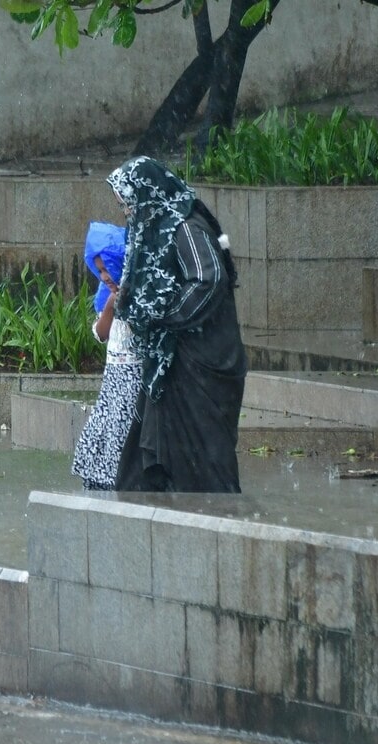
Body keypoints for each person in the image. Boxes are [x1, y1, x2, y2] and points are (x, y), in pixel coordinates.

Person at [106, 156, 247, 493]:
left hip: (201, 363)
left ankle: (213, 521)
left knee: (204, 460)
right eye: (124, 206)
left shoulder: (185, 226)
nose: (127, 212)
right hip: (170, 363)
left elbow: (209, 280)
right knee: (144, 462)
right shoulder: (157, 230)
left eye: (129, 203)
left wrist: (162, 313)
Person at [71, 253, 141, 492]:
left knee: (122, 429)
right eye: (99, 271)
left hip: (133, 375)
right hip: (113, 375)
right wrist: (111, 302)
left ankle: (120, 478)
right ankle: (99, 477)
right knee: (104, 427)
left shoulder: (140, 294)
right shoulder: (108, 296)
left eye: (107, 269)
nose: (104, 276)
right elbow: (102, 333)